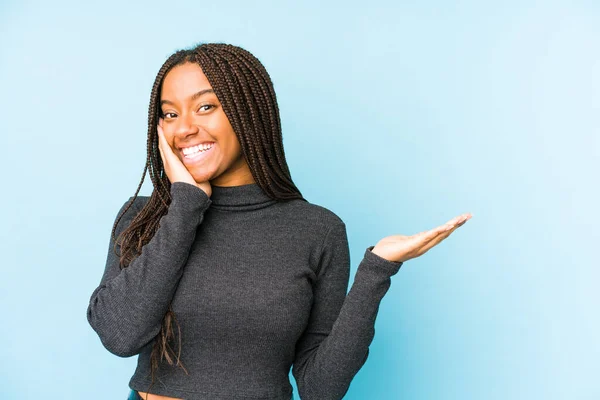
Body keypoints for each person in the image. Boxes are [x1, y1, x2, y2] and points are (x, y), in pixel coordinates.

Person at [86, 42, 471, 400]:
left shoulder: (317, 231)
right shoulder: (144, 217)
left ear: (247, 111)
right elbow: (120, 336)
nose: (184, 127)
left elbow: (320, 388)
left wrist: (378, 270)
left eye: (205, 107)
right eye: (170, 114)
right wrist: (186, 206)